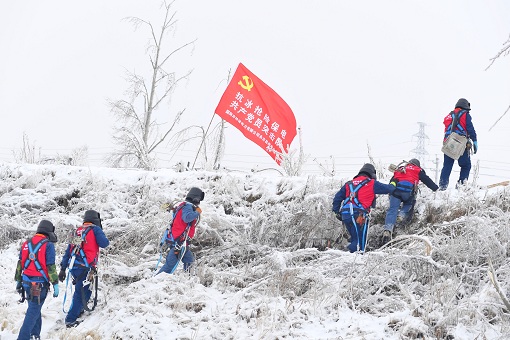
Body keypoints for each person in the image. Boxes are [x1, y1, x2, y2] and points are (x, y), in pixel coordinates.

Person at [59, 210, 109, 328]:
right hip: (85, 268)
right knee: (80, 292)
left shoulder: (77, 231)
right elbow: (105, 243)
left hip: (74, 266)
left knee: (86, 290)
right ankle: (70, 320)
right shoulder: (95, 230)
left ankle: (79, 309)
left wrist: (63, 268)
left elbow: (68, 251)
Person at [332, 164, 395, 253]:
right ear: (372, 174)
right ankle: (352, 260)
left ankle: (348, 255)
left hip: (345, 214)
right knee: (360, 243)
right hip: (359, 215)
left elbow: (337, 198)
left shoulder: (348, 184)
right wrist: (394, 181)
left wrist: (336, 211)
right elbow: (390, 189)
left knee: (354, 238)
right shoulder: (371, 183)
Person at [15, 220, 59, 340]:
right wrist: (55, 283)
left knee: (35, 309)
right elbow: (51, 266)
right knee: (33, 312)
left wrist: (18, 280)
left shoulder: (26, 243)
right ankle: (23, 337)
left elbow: (20, 263)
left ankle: (35, 335)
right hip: (38, 285)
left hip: (26, 282)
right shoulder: (48, 245)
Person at [382, 159, 438, 244]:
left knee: (392, 210)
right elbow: (426, 180)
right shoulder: (417, 170)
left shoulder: (401, 168)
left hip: (396, 192)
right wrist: (435, 188)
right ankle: (401, 215)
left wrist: (390, 193)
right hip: (408, 193)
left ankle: (388, 230)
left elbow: (392, 180)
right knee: (409, 204)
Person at [157, 187, 204, 274]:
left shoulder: (182, 205)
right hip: (178, 242)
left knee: (189, 260)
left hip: (179, 241)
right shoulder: (188, 207)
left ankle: (188, 278)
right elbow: (187, 218)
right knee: (169, 266)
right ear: (196, 198)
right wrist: (197, 212)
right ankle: (155, 281)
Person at [439, 98, 478, 190]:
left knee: (447, 166)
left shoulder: (449, 116)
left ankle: (442, 187)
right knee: (466, 165)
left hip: (448, 143)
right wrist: (474, 140)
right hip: (460, 143)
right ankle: (461, 187)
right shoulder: (465, 114)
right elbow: (470, 128)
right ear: (465, 107)